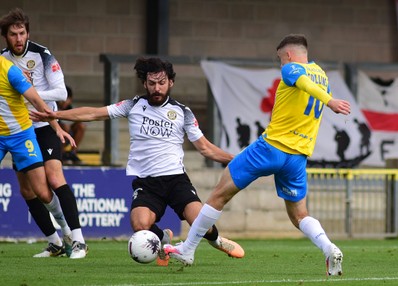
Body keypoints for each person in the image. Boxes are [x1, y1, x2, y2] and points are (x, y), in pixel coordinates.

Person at [163, 34, 351, 276]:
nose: (280, 64)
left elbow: (303, 83)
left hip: (271, 147)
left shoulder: (292, 68)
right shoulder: (322, 76)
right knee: (299, 215)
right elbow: (309, 87)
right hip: (297, 158)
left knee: (219, 194)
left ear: (289, 55)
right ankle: (329, 248)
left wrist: (330, 102)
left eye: (279, 59)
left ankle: (187, 250)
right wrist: (328, 98)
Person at [31, 57, 245, 266]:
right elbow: (94, 114)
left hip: (176, 180)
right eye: (151, 83)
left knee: (199, 221)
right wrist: (55, 114)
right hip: (147, 183)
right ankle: (162, 238)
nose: (157, 88)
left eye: (162, 83)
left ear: (171, 82)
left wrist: (238, 159)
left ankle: (217, 240)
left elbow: (205, 148)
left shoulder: (182, 112)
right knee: (139, 224)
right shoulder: (133, 105)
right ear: (144, 83)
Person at [0, 8, 88, 259]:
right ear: (5, 36)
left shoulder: (42, 54)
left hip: (45, 124)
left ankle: (78, 239)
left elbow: (61, 94)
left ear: (28, 33)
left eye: (22, 33)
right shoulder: (3, 61)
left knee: (54, 177)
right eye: (13, 34)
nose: (19, 38)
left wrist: (26, 93)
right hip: (18, 128)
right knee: (28, 191)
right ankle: (55, 243)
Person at [0, 55, 74, 254]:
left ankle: (67, 234)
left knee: (41, 191)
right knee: (26, 191)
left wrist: (57, 128)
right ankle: (55, 242)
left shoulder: (9, 70)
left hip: (21, 135)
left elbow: (37, 101)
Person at [58, 85, 86, 164]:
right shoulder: (53, 106)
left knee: (81, 126)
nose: (64, 101)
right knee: (64, 128)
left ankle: (72, 153)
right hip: (56, 135)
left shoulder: (72, 109)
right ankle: (61, 154)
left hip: (68, 135)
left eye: (67, 99)